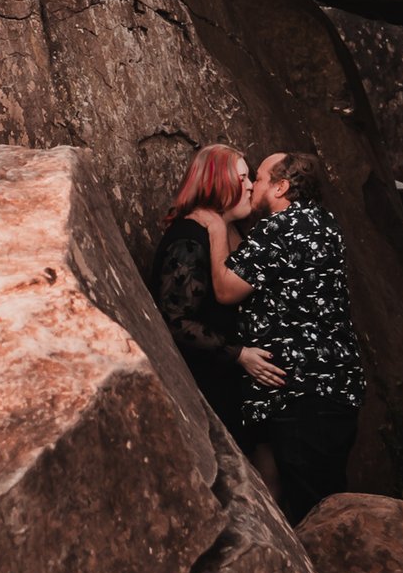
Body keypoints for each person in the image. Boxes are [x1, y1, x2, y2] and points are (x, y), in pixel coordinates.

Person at [191, 147, 365, 523]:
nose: (251, 185)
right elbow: (261, 270)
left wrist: (216, 227)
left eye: (259, 178)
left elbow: (226, 288)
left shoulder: (282, 227)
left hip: (304, 396)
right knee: (299, 495)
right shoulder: (321, 222)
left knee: (312, 509)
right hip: (326, 390)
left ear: (282, 186)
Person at [150, 145, 259, 425]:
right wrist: (239, 354)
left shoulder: (232, 232)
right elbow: (175, 321)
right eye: (243, 178)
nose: (250, 186)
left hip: (235, 387)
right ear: (218, 183)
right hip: (207, 389)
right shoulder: (189, 238)